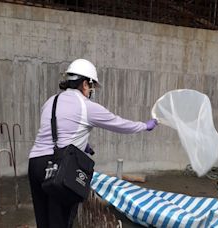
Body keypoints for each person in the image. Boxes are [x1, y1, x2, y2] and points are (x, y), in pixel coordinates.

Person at [28, 59, 158, 228]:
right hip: (60, 168)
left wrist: (83, 144)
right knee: (60, 220)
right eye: (91, 86)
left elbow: (56, 129)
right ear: (84, 83)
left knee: (43, 220)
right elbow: (119, 124)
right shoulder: (87, 106)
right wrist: (144, 126)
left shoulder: (50, 101)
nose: (91, 91)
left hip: (36, 165)